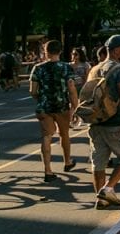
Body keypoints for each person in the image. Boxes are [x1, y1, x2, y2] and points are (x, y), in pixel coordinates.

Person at [89, 34, 120, 209]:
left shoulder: (94, 69)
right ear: (116, 49)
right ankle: (108, 189)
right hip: (116, 123)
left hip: (96, 123)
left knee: (99, 162)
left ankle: (101, 200)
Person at [29, 39, 77, 181]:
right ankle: (67, 162)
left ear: (45, 51)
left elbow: (32, 91)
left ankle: (48, 170)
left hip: (44, 106)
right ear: (60, 51)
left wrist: (42, 98)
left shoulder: (37, 68)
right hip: (61, 106)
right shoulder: (66, 68)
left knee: (46, 137)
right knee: (64, 134)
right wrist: (75, 107)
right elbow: (72, 89)